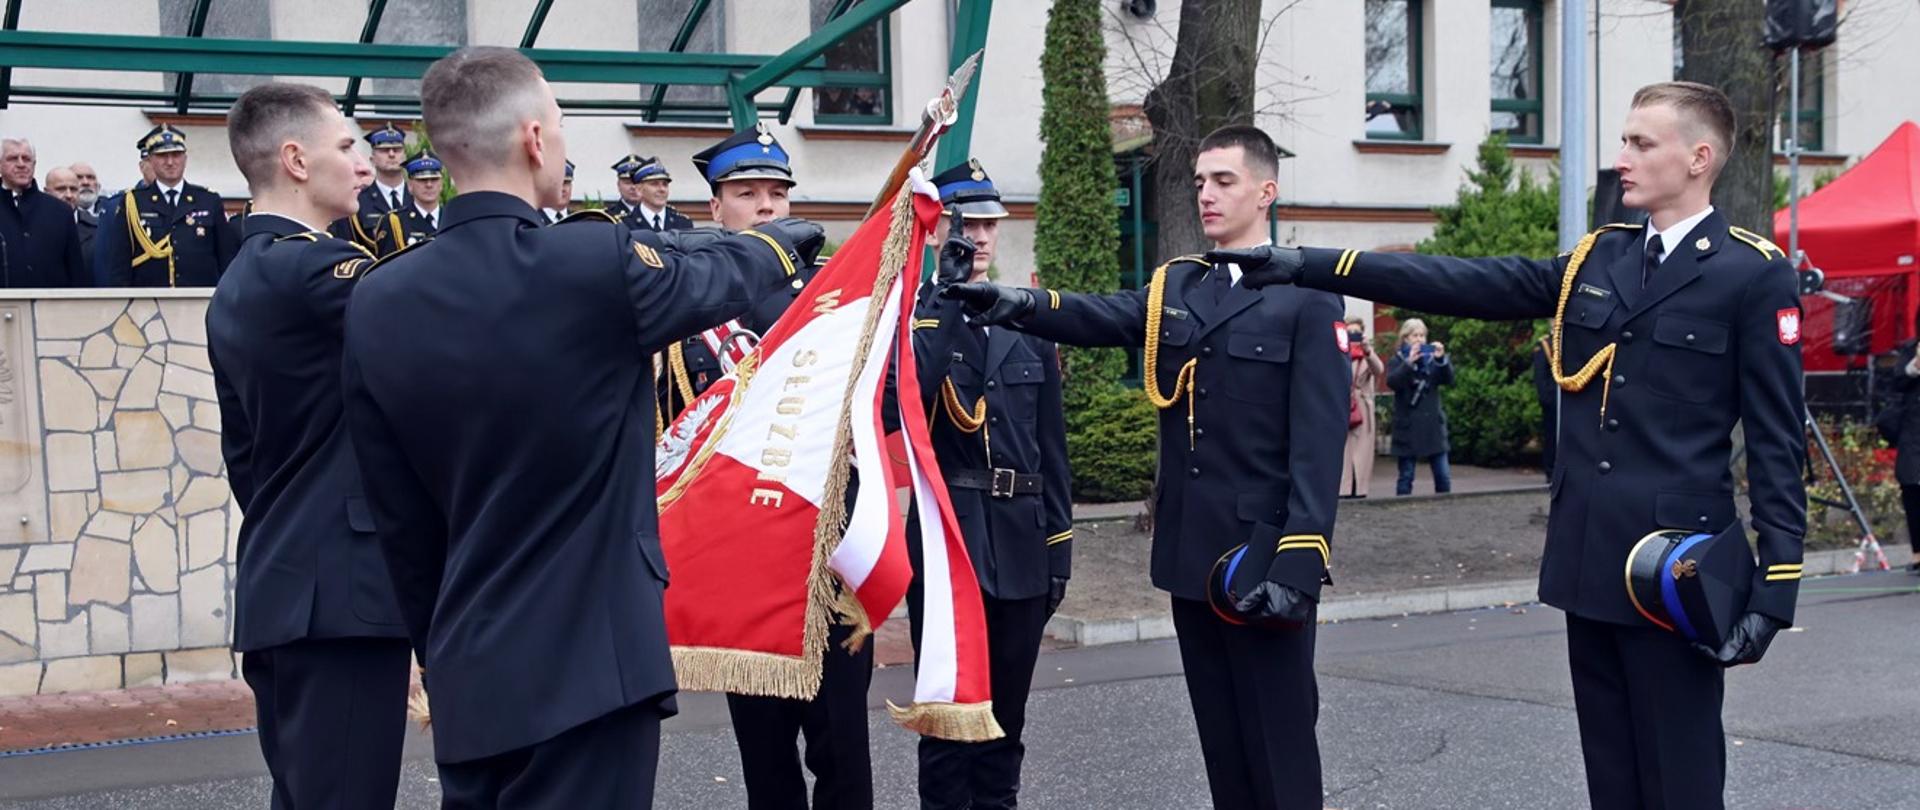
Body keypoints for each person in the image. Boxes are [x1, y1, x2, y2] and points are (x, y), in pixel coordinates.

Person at [1217, 81, 1807, 809]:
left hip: (1675, 570)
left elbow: (1779, 440)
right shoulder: (1600, 260)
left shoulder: (1751, 275)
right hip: (1590, 561)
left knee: (1680, 781)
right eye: (1624, 140)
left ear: (1699, 157)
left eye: (1640, 143)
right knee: (1614, 780)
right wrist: (1310, 265)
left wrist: (1776, 586)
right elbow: (1472, 282)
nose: (1621, 158)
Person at [338, 46, 823, 807]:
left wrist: (440, 654)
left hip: (471, 665)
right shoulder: (592, 263)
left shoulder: (377, 299)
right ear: (535, 139)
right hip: (594, 672)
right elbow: (726, 274)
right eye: (558, 125)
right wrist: (776, 240)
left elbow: (398, 518)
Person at [944, 125, 1345, 810]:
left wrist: (1300, 563)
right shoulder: (1182, 286)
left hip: (1263, 560)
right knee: (1224, 748)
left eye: (1224, 180)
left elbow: (1320, 442)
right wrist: (1017, 303)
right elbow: (1104, 315)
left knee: (1279, 751)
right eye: (1199, 182)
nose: (1207, 195)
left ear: (1266, 191)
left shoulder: (1307, 297)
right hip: (1192, 559)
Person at [208, 81, 412, 808]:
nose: (363, 165)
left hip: (291, 583)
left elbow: (245, 460)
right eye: (348, 147)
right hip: (340, 598)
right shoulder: (308, 268)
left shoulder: (240, 279)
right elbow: (450, 303)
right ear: (295, 159)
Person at [676, 122, 874, 810]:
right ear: (714, 207)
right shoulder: (694, 301)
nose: (766, 206)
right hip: (740, 561)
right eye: (745, 192)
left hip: (827, 553)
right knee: (766, 763)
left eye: (777, 194)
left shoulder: (836, 297)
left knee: (844, 753)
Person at [907, 159, 1071, 810]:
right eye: (964, 224)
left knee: (1006, 727)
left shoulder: (1025, 318)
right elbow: (907, 404)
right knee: (949, 728)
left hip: (1023, 540)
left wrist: (1059, 546)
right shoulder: (915, 318)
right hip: (952, 544)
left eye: (987, 225)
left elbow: (1051, 447)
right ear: (938, 231)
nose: (977, 238)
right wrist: (944, 301)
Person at [94, 124, 239, 287]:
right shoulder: (132, 202)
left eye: (176, 155)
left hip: (197, 300)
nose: (170, 162)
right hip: (148, 303)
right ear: (150, 160)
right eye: (162, 156)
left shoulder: (208, 200)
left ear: (185, 158)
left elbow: (226, 259)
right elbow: (119, 264)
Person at [0, 138, 85, 287]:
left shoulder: (60, 211)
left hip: (52, 306)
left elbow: (76, 271)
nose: (21, 164)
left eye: (26, 159)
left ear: (34, 165)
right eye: (13, 158)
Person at [1385, 317, 1453, 496]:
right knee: (1406, 476)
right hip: (1408, 426)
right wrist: (1409, 363)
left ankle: (1446, 508)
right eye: (1415, 335)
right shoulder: (1397, 360)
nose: (1419, 339)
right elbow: (1393, 382)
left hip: (1432, 426)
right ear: (1405, 338)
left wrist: (1441, 360)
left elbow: (1448, 379)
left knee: (1443, 475)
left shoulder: (1431, 360)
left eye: (1422, 335)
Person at [330, 123, 410, 255]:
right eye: (384, 150)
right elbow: (345, 246)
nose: (391, 154)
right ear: (372, 159)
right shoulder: (357, 201)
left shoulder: (421, 197)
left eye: (397, 149)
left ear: (405, 156)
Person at [1340, 315, 1385, 498]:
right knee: (1343, 450)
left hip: (1362, 407)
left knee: (1362, 452)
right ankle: (1343, 488)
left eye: (1357, 332)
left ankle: (1360, 489)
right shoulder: (1339, 351)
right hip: (1341, 406)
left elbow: (1379, 370)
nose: (1353, 336)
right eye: (1349, 332)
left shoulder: (1367, 354)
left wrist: (1368, 351)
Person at [45, 166, 98, 274]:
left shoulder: (98, 229)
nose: (69, 195)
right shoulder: (33, 227)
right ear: (46, 192)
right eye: (61, 189)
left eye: (73, 189)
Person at [388, 153, 444, 248]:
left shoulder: (452, 217)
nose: (429, 185)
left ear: (441, 184)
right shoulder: (397, 222)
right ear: (410, 185)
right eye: (422, 180)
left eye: (434, 179)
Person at [625, 155, 693, 233]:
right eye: (654, 184)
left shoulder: (683, 223)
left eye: (665, 184)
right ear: (639, 189)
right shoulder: (625, 224)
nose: (662, 189)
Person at [1532, 335, 1559, 476]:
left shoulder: (1567, 339)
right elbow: (1540, 376)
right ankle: (1551, 469)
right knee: (1551, 435)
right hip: (1552, 398)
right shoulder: (1544, 344)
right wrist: (1547, 399)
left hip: (1568, 398)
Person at [541, 159, 574, 224]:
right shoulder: (533, 221)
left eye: (566, 183)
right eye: (557, 183)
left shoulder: (576, 220)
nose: (563, 189)